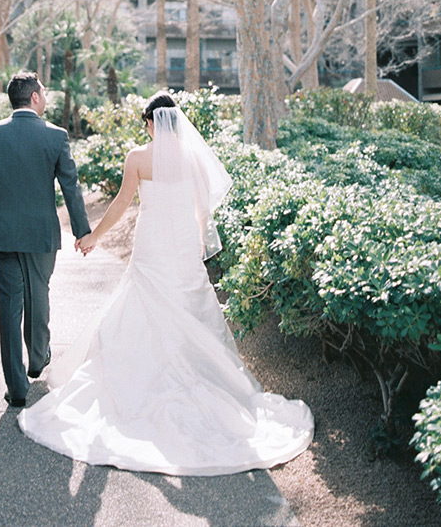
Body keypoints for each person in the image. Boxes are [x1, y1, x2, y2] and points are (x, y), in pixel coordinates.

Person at [17, 91, 314, 475]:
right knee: (188, 308)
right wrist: (197, 237)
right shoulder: (193, 157)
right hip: (183, 243)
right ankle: (198, 375)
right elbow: (202, 206)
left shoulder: (138, 158)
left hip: (153, 243)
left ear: (151, 122)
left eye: (146, 124)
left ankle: (144, 379)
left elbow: (122, 202)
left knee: (142, 306)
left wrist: (94, 237)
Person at [0, 71, 91, 409]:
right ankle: (37, 359)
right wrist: (82, 231)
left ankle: (17, 387)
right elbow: (71, 188)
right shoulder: (56, 136)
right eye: (44, 91)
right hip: (41, 234)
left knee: (9, 307)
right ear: (35, 97)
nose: (46, 96)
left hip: (2, 234)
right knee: (39, 294)